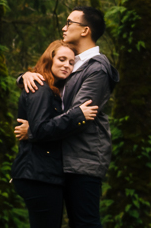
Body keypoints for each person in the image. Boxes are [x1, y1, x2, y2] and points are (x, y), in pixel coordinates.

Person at [16, 6, 120, 228]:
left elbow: (79, 114)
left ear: (85, 30)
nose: (64, 27)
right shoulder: (75, 64)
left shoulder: (97, 68)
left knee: (85, 222)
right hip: (65, 159)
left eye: (69, 23)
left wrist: (33, 131)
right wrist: (25, 76)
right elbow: (50, 86)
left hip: (85, 157)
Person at [11, 40, 99, 228]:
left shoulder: (52, 88)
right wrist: (77, 116)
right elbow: (42, 129)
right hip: (38, 175)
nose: (66, 65)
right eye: (61, 59)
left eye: (70, 62)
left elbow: (38, 128)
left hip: (42, 174)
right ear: (49, 59)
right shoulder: (40, 86)